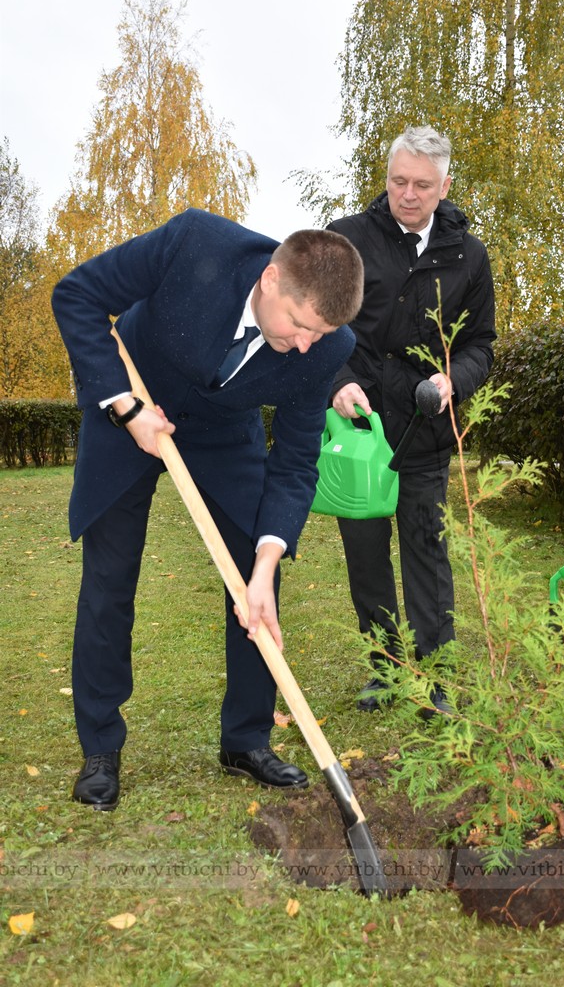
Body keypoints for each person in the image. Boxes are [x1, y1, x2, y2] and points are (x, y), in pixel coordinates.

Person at [52, 207, 364, 810]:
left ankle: (245, 739)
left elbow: (296, 463)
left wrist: (267, 564)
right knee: (110, 579)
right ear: (272, 280)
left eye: (318, 337)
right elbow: (79, 295)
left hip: (223, 431)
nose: (304, 347)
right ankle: (101, 746)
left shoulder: (325, 347)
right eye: (299, 325)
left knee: (254, 570)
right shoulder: (197, 244)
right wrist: (126, 407)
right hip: (134, 403)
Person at [327, 126, 496, 714]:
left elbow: (481, 345)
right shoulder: (346, 240)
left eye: (422, 184)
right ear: (388, 177)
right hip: (360, 428)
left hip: (424, 431)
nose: (408, 194)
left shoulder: (468, 257)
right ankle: (386, 668)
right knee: (367, 554)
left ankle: (438, 675)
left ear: (444, 185)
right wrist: (338, 381)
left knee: (427, 550)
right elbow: (322, 328)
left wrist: (457, 379)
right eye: (399, 180)